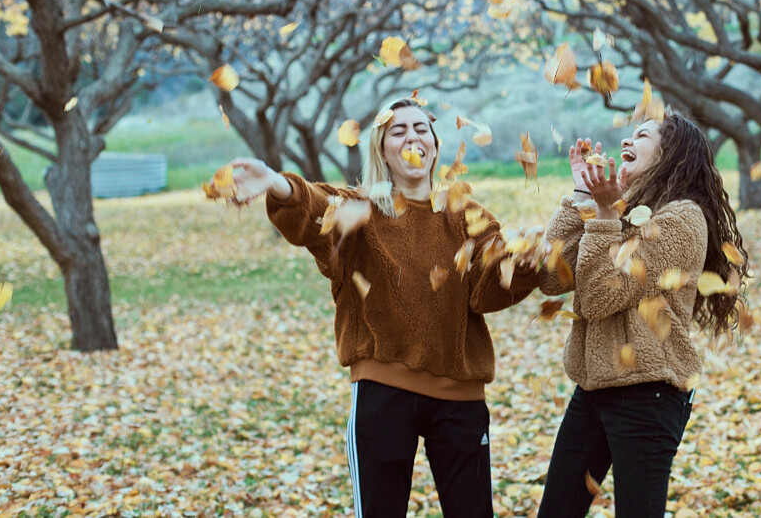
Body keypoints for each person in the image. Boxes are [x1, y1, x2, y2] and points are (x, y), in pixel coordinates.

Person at [224, 97, 543, 518]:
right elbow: (314, 209)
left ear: (433, 144)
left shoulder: (463, 212)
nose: (412, 137)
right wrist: (276, 183)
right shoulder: (361, 210)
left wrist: (522, 261)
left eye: (420, 129)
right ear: (382, 150)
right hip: (383, 395)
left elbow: (487, 288)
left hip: (460, 397)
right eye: (398, 130)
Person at [537, 110, 747, 517]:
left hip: (648, 394)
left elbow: (599, 294)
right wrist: (582, 197)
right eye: (629, 135)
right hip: (594, 387)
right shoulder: (617, 210)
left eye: (643, 134)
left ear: (671, 153)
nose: (627, 142)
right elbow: (550, 279)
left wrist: (602, 217)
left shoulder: (682, 219)